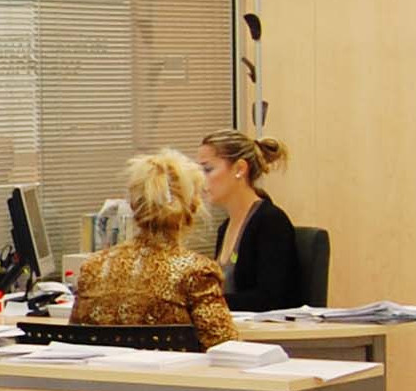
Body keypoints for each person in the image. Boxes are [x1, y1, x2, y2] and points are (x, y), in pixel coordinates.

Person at [71, 150, 241, 349]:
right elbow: (227, 349)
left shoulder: (93, 267)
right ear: (193, 207)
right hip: (175, 370)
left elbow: (74, 344)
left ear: (133, 206)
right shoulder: (196, 272)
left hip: (106, 369)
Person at [198, 129, 303, 312]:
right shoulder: (224, 227)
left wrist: (206, 302)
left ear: (240, 169)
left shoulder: (270, 222)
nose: (201, 180)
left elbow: (268, 299)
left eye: (208, 170)